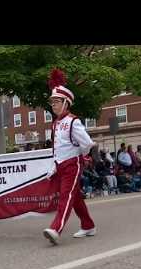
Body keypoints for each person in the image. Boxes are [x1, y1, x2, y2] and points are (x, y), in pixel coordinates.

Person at [42, 69, 96, 245]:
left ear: (66, 102)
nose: (53, 105)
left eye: (57, 101)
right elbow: (56, 149)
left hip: (72, 165)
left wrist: (81, 156)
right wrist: (53, 167)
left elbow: (87, 143)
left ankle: (56, 228)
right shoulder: (56, 123)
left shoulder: (74, 121)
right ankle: (88, 225)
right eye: (52, 102)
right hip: (61, 166)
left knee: (66, 197)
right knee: (75, 198)